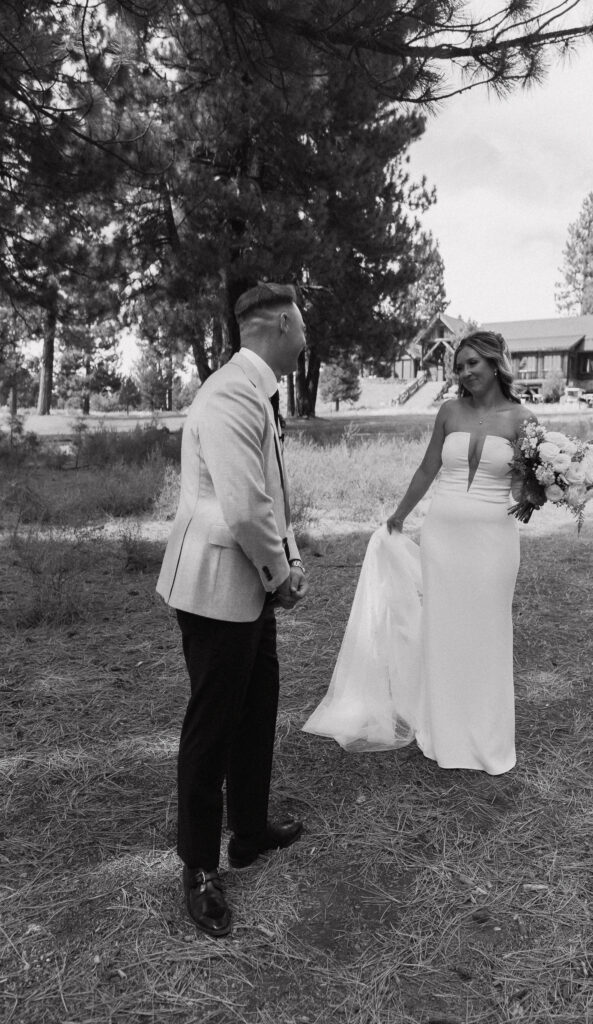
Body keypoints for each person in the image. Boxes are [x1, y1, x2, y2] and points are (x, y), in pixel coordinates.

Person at [303, 330, 533, 773]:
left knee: (487, 633)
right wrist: (399, 515)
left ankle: (487, 738)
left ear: (494, 363)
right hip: (443, 537)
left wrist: (545, 490)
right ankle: (446, 733)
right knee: (444, 630)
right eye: (459, 367)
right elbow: (429, 466)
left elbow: (523, 491)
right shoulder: (449, 411)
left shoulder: (523, 418)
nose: (465, 372)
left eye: (472, 364)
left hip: (494, 541)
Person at [156, 282, 310, 938]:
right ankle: (198, 868)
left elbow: (270, 494)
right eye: (302, 322)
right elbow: (243, 512)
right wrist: (280, 574)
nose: (308, 334)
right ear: (280, 323)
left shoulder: (258, 391)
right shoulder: (227, 395)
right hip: (218, 588)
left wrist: (289, 561)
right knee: (212, 727)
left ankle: (247, 830)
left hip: (251, 586)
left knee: (258, 707)